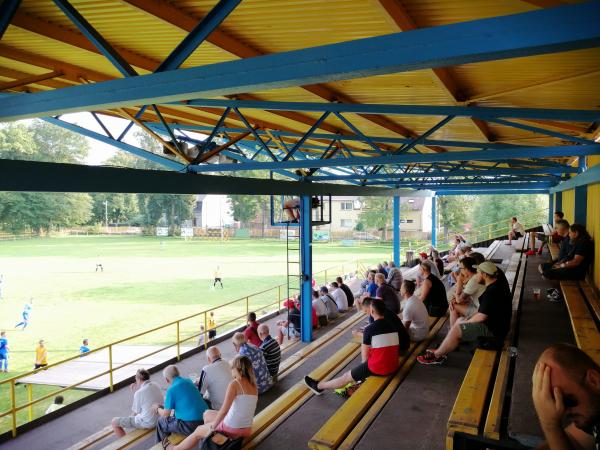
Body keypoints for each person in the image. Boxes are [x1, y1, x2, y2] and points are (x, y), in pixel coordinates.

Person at [417, 261, 512, 365]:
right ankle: (449, 344)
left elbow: (481, 317)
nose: (476, 275)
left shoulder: (491, 292)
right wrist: (465, 321)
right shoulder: (496, 285)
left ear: (485, 275)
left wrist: (466, 322)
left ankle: (437, 355)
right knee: (460, 321)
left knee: (458, 327)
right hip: (498, 325)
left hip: (494, 332)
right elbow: (484, 311)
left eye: (479, 272)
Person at [304, 299, 400, 395]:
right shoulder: (392, 326)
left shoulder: (369, 329)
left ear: (372, 311)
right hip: (394, 366)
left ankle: (318, 387)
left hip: (381, 368)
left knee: (345, 377)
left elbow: (364, 359)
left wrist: (361, 373)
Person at [170, 356, 258, 450]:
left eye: (232, 368)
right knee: (207, 413)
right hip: (247, 429)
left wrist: (212, 427)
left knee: (198, 430)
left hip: (233, 428)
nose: (231, 370)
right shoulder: (254, 385)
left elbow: (224, 410)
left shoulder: (235, 384)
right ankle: (209, 441)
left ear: (238, 369)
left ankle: (176, 448)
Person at [532, 344, 600, 450]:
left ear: (593, 381)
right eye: (555, 401)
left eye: (566, 400)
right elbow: (574, 440)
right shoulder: (593, 412)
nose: (562, 410)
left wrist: (550, 424)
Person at [154, 365, 207, 443]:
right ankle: (169, 442)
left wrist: (157, 408)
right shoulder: (188, 381)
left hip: (191, 425)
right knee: (173, 416)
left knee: (161, 421)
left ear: (167, 380)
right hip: (205, 418)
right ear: (178, 373)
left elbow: (165, 415)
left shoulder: (171, 390)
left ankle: (161, 446)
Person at [112, 368, 163, 437]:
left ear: (139, 379)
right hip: (160, 418)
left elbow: (136, 412)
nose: (135, 381)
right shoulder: (156, 384)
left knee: (114, 422)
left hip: (148, 423)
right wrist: (137, 389)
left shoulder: (139, 393)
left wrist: (129, 419)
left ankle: (125, 444)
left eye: (136, 379)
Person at [448, 257, 486, 327]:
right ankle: (458, 329)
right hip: (485, 307)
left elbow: (459, 300)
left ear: (467, 269)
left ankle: (453, 331)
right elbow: (464, 296)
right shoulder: (477, 275)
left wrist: (459, 281)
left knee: (453, 306)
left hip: (483, 312)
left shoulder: (473, 280)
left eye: (461, 268)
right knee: (459, 302)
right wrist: (455, 299)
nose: (460, 270)